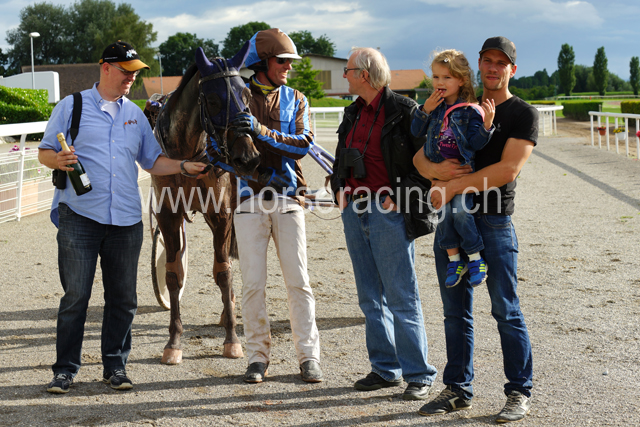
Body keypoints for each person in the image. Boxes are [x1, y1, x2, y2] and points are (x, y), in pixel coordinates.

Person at [39, 41, 207, 394]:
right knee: (75, 297)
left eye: (135, 73)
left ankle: (115, 366)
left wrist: (184, 166)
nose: (132, 77)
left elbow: (151, 161)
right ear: (105, 68)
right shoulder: (72, 105)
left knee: (124, 299)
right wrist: (58, 160)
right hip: (79, 216)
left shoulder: (135, 115)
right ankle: (65, 370)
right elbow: (45, 152)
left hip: (126, 220)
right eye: (126, 71)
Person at [414, 36, 536, 423]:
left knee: (505, 310)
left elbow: (508, 170)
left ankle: (518, 391)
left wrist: (451, 187)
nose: (493, 68)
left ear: (512, 69)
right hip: (451, 222)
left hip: (493, 222)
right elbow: (419, 156)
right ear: (479, 65)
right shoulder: (456, 104)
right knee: (455, 313)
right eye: (488, 61)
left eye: (502, 63)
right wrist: (434, 170)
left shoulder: (522, 113)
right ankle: (457, 389)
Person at [329, 47, 438, 400]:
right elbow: (340, 157)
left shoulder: (405, 111)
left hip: (387, 212)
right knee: (369, 297)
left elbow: (428, 163)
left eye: (347, 70)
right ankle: (385, 369)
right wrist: (339, 188)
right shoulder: (352, 112)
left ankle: (419, 374)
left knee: (401, 296)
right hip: (354, 209)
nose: (344, 75)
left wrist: (399, 197)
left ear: (364, 74)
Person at [229, 28, 322, 383]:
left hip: (289, 198)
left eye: (289, 62)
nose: (288, 67)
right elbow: (216, 151)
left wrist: (261, 132)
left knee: (299, 281)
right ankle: (257, 357)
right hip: (248, 200)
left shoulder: (297, 98)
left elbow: (304, 144)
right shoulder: (236, 97)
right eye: (282, 61)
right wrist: (254, 172)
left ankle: (309, 356)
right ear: (263, 62)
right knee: (252, 284)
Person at [410, 49, 495, 288]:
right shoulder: (432, 107)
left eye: (447, 77)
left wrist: (487, 126)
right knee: (443, 216)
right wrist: (425, 111)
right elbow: (415, 132)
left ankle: (476, 258)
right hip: (438, 176)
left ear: (462, 80)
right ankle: (455, 260)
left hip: (461, 175)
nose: (440, 82)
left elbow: (475, 144)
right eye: (436, 77)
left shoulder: (470, 110)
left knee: (459, 212)